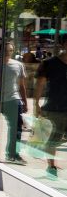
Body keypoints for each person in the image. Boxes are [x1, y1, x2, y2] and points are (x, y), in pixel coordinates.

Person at [35, 34, 67, 178]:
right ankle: (51, 166)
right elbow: (40, 83)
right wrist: (36, 103)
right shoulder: (49, 63)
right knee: (53, 139)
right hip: (54, 108)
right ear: (63, 45)